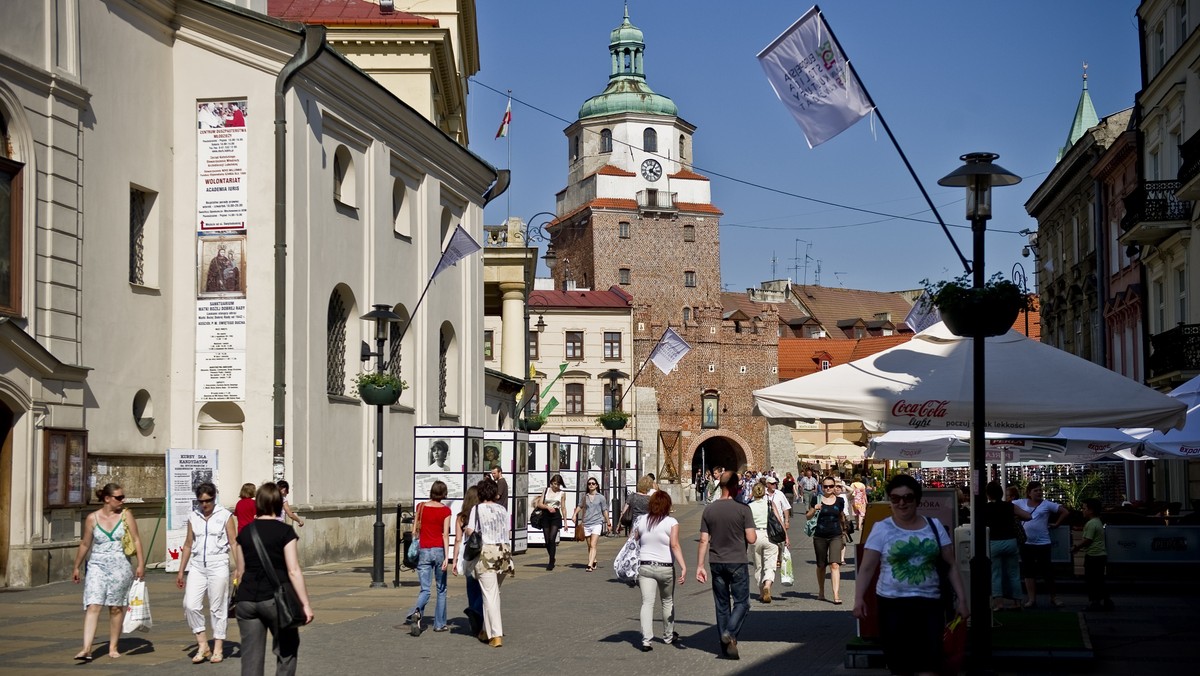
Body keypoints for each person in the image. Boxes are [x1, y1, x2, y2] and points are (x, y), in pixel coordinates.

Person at [854, 475, 969, 676]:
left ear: (917, 499)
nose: (902, 502)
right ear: (890, 500)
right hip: (893, 605)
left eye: (908, 497)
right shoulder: (882, 528)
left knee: (930, 665)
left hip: (929, 604)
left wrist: (962, 599)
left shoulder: (934, 526)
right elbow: (866, 568)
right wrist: (858, 599)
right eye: (895, 498)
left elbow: (951, 565)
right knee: (901, 666)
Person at [233, 482, 313, 676]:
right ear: (278, 504)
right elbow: (293, 570)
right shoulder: (285, 532)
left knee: (251, 656)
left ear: (257, 504)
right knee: (287, 650)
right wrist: (305, 604)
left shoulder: (245, 533)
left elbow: (240, 571)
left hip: (246, 600)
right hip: (275, 601)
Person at [72, 483, 145, 662]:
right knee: (93, 604)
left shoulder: (126, 515)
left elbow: (136, 540)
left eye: (122, 497)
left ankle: (113, 646)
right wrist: (77, 566)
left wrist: (141, 564)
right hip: (97, 564)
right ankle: (87, 648)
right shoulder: (92, 518)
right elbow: (85, 544)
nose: (122, 500)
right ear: (107, 499)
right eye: (119, 497)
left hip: (120, 565)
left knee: (115, 607)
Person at [695, 470, 756, 660]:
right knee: (742, 603)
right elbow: (751, 538)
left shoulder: (709, 509)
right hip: (737, 561)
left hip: (716, 562)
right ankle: (730, 632)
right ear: (734, 487)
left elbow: (704, 540)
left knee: (722, 605)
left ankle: (726, 647)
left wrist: (699, 566)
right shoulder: (743, 509)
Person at [176, 482, 238, 663]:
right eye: (201, 501)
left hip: (218, 563)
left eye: (208, 501)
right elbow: (188, 544)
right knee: (190, 604)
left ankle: (218, 647)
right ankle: (202, 644)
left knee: (217, 607)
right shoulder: (193, 517)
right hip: (197, 565)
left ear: (214, 498)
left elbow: (233, 542)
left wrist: (239, 568)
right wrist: (181, 570)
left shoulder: (225, 515)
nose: (205, 505)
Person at [633, 491, 687, 652]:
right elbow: (675, 545)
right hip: (665, 566)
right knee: (667, 601)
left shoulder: (642, 520)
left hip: (645, 566)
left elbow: (633, 539)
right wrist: (683, 566)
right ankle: (668, 635)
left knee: (647, 603)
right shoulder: (671, 522)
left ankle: (646, 640)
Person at [464, 479, 513, 647]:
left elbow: (471, 530)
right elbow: (508, 531)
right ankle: (485, 630)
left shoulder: (477, 509)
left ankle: (496, 635)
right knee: (493, 593)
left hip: (487, 553)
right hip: (504, 552)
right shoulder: (502, 509)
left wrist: (469, 531)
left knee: (490, 594)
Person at [403, 480, 452, 635]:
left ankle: (417, 612)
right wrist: (447, 557)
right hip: (438, 551)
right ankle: (439, 624)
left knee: (425, 589)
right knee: (441, 589)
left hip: (424, 550)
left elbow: (414, 530)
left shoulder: (421, 507)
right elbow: (445, 534)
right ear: (444, 494)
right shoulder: (445, 511)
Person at [1013, 481, 1070, 608]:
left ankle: (1054, 597)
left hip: (1043, 543)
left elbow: (1065, 512)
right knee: (1028, 572)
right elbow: (1007, 507)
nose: (1039, 492)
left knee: (1047, 571)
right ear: (1029, 493)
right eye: (1036, 490)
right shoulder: (1020, 503)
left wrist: (1057, 524)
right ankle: (1031, 599)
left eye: (1040, 490)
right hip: (1026, 543)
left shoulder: (1047, 504)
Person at [982, 480, 1031, 610]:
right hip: (1011, 542)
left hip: (994, 543)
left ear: (988, 494)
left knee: (995, 574)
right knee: (1014, 573)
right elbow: (1028, 516)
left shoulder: (985, 508)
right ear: (1001, 493)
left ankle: (999, 604)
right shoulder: (1010, 506)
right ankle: (1017, 603)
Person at [806, 475, 850, 603]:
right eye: (826, 486)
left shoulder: (839, 501)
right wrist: (814, 509)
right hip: (819, 535)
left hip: (835, 535)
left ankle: (836, 594)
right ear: (822, 487)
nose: (829, 488)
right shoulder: (816, 499)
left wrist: (845, 529)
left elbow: (841, 516)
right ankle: (821, 591)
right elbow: (808, 517)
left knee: (835, 564)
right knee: (821, 565)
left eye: (831, 486)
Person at [451, 486, 484, 636]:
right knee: (483, 588)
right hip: (480, 551)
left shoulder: (461, 517)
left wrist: (454, 560)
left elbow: (458, 540)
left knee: (471, 587)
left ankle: (473, 618)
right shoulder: (481, 514)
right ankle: (478, 614)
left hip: (467, 553)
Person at [1072, 498, 1114, 611]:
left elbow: (1088, 540)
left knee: (1092, 580)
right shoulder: (1097, 522)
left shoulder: (1091, 524)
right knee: (1099, 579)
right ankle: (1106, 600)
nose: (1082, 510)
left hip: (1093, 556)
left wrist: (1076, 547)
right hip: (1100, 555)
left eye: (1084, 508)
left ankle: (1094, 602)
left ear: (1091, 510)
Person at [749, 482, 787, 604]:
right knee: (770, 563)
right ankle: (767, 585)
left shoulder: (749, 507)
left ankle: (761, 592)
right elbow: (778, 520)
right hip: (770, 535)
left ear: (753, 493)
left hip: (755, 535)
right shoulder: (770, 504)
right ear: (764, 492)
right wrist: (786, 537)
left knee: (758, 565)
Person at [574, 477, 610, 571]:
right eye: (589, 483)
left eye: (593, 483)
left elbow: (604, 510)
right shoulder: (584, 497)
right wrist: (574, 515)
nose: (591, 485)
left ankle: (589, 565)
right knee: (589, 545)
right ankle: (594, 560)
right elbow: (579, 506)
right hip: (586, 523)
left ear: (597, 485)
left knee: (593, 544)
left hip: (597, 522)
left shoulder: (601, 497)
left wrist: (608, 522)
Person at [534, 474, 569, 570]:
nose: (556, 486)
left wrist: (566, 522)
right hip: (545, 514)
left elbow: (563, 507)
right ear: (551, 483)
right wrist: (547, 507)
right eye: (554, 484)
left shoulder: (562, 493)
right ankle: (552, 557)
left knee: (552, 538)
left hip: (555, 515)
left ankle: (551, 561)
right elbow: (540, 504)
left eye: (558, 484)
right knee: (547, 540)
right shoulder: (546, 490)